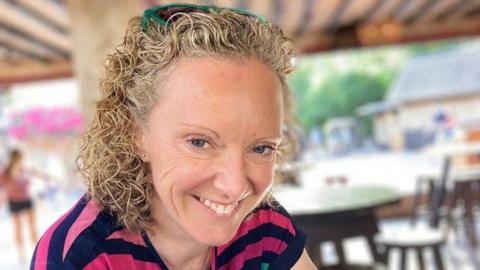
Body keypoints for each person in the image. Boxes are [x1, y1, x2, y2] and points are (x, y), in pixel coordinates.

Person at [31, 4, 316, 270]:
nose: (235, 185)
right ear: (136, 134)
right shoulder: (80, 257)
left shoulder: (265, 230)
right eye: (199, 142)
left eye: (261, 148)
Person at [0, 149, 38, 263]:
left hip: (27, 200)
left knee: (32, 228)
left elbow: (30, 180)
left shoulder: (23, 169)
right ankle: (21, 254)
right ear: (15, 158)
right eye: (20, 158)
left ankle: (37, 251)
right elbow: (3, 188)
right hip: (14, 201)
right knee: (18, 229)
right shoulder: (5, 172)